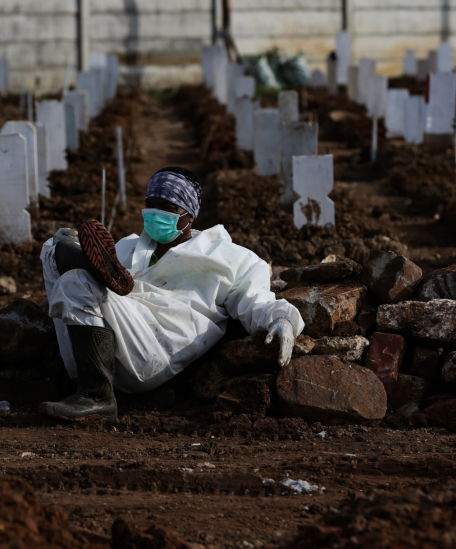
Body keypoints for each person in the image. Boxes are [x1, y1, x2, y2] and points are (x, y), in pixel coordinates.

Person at [38, 166, 305, 421]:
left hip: (154, 350)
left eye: (166, 208)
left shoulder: (229, 257)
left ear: (190, 215)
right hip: (97, 353)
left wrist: (282, 320)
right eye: (150, 205)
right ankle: (75, 258)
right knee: (54, 250)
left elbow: (255, 299)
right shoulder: (129, 246)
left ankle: (96, 397)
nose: (155, 213)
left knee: (76, 280)